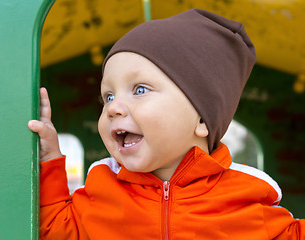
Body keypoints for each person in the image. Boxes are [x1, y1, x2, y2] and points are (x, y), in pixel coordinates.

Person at [28, 8, 305, 240]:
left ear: (200, 119)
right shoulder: (101, 194)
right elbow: (55, 231)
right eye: (108, 96)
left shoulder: (248, 201)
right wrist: (50, 159)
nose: (112, 107)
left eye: (139, 90)